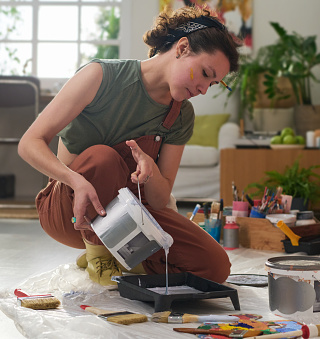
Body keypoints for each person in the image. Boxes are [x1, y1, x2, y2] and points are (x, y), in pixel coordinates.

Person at [18, 5, 241, 286]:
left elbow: (159, 201)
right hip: (71, 211)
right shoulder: (100, 76)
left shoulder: (181, 114)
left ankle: (126, 260)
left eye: (214, 83)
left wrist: (151, 174)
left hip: (133, 212)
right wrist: (74, 180)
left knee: (214, 267)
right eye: (205, 73)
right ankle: (100, 255)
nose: (204, 89)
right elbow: (29, 143)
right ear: (183, 48)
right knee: (103, 158)